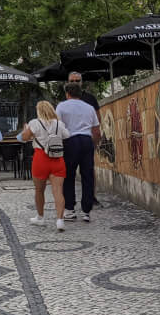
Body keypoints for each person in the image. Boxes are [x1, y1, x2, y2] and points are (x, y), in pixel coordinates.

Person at [19, 100, 70, 231]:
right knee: (58, 191)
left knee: (39, 190)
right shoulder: (59, 123)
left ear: (38, 111)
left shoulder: (34, 123)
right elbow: (67, 135)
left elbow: (23, 137)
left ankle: (40, 217)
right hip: (57, 159)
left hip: (40, 159)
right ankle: (60, 220)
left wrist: (26, 129)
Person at [56, 82, 101, 221]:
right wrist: (93, 144)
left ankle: (70, 209)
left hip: (70, 141)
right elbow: (96, 131)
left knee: (68, 175)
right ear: (80, 93)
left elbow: (57, 126)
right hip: (87, 140)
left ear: (67, 93)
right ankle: (86, 211)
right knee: (87, 175)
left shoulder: (61, 106)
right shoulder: (89, 108)